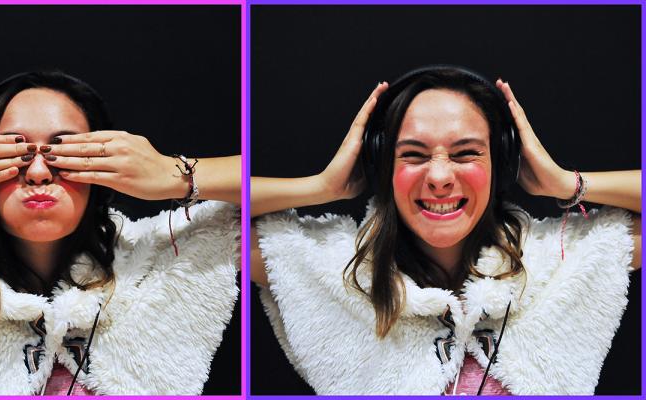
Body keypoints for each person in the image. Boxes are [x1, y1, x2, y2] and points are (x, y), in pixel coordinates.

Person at [250, 65, 641, 395]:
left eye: (466, 153)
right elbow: (199, 223)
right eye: (414, 155)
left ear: (501, 161)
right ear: (382, 165)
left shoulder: (560, 261)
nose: (439, 176)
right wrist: (320, 187)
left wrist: (565, 183)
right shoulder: (331, 270)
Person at [0, 70, 242, 395]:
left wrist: (175, 175)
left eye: (63, 154)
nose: (38, 173)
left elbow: (289, 206)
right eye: (14, 155)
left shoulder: (164, 260)